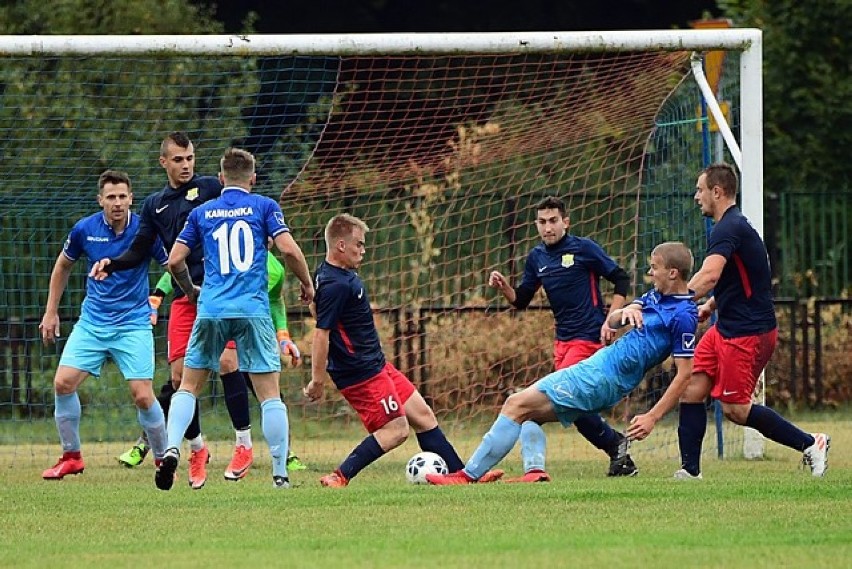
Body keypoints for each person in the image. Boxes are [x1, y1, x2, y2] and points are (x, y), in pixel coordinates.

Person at [427, 242, 698, 484]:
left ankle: (466, 476)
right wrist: (622, 313)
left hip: (601, 376)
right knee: (527, 413)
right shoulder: (656, 297)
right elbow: (614, 321)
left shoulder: (683, 315)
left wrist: (653, 416)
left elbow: (684, 375)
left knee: (515, 403)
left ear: (672, 273)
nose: (650, 274)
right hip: (599, 368)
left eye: (654, 268)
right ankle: (533, 472)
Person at [92, 132, 256, 489]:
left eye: (190, 158)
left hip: (219, 293)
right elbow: (138, 249)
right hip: (186, 297)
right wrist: (113, 263)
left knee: (228, 363)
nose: (186, 165)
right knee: (180, 378)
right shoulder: (154, 205)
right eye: (178, 159)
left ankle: (243, 444)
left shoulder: (213, 188)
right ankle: (197, 449)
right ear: (163, 162)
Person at [154, 147, 314, 490]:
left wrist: (191, 291)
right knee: (270, 394)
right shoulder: (265, 207)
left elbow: (174, 261)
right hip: (253, 310)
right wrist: (307, 284)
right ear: (253, 179)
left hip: (211, 309)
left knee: (189, 386)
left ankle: (171, 449)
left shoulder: (202, 212)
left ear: (222, 178)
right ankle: (279, 473)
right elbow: (288, 250)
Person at [304, 213, 502, 487]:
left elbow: (320, 313)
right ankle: (340, 476)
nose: (363, 250)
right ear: (340, 246)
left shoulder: (333, 275)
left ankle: (462, 476)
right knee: (396, 430)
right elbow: (321, 333)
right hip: (361, 373)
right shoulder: (337, 284)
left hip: (377, 364)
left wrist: (310, 302)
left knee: (423, 415)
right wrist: (317, 379)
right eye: (358, 244)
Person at [675, 163, 830, 479]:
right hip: (726, 327)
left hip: (747, 334)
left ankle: (811, 443)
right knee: (691, 388)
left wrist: (670, 302)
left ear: (717, 192)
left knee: (735, 410)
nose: (696, 197)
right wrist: (712, 304)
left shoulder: (727, 228)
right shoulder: (733, 226)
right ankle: (690, 472)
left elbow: (710, 274)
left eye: (700, 190)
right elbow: (746, 276)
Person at [487, 196, 635, 482]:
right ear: (536, 225)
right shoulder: (537, 257)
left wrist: (611, 318)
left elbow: (621, 278)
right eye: (542, 222)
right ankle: (617, 448)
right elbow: (521, 300)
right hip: (562, 343)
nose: (548, 227)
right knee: (573, 407)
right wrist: (505, 288)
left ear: (565, 222)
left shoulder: (583, 249)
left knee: (562, 401)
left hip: (588, 338)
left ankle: (609, 447)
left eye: (553, 221)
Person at [121, 259, 308, 476]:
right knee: (180, 381)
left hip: (249, 328)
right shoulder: (222, 247)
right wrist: (157, 295)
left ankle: (276, 452)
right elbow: (179, 264)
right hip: (211, 314)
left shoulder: (275, 268)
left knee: (254, 380)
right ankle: (174, 444)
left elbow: (275, 300)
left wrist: (283, 336)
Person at [39, 170, 169, 480]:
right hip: (93, 323)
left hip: (133, 324)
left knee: (142, 395)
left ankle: (165, 461)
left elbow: (171, 264)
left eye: (123, 196)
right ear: (101, 200)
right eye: (111, 197)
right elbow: (62, 266)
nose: (117, 202)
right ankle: (72, 456)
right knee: (62, 383)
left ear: (131, 199)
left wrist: (182, 296)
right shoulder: (85, 229)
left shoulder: (145, 230)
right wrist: (50, 311)